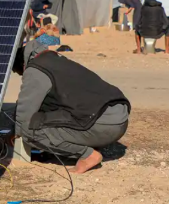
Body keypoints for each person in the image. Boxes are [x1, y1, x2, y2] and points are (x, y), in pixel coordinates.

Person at [15, 43, 131, 174]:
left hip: (103, 125)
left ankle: (88, 155)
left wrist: (14, 135)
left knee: (29, 131)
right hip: (120, 119)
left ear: (22, 65)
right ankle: (91, 142)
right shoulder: (56, 59)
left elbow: (24, 115)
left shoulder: (36, 70)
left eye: (20, 73)